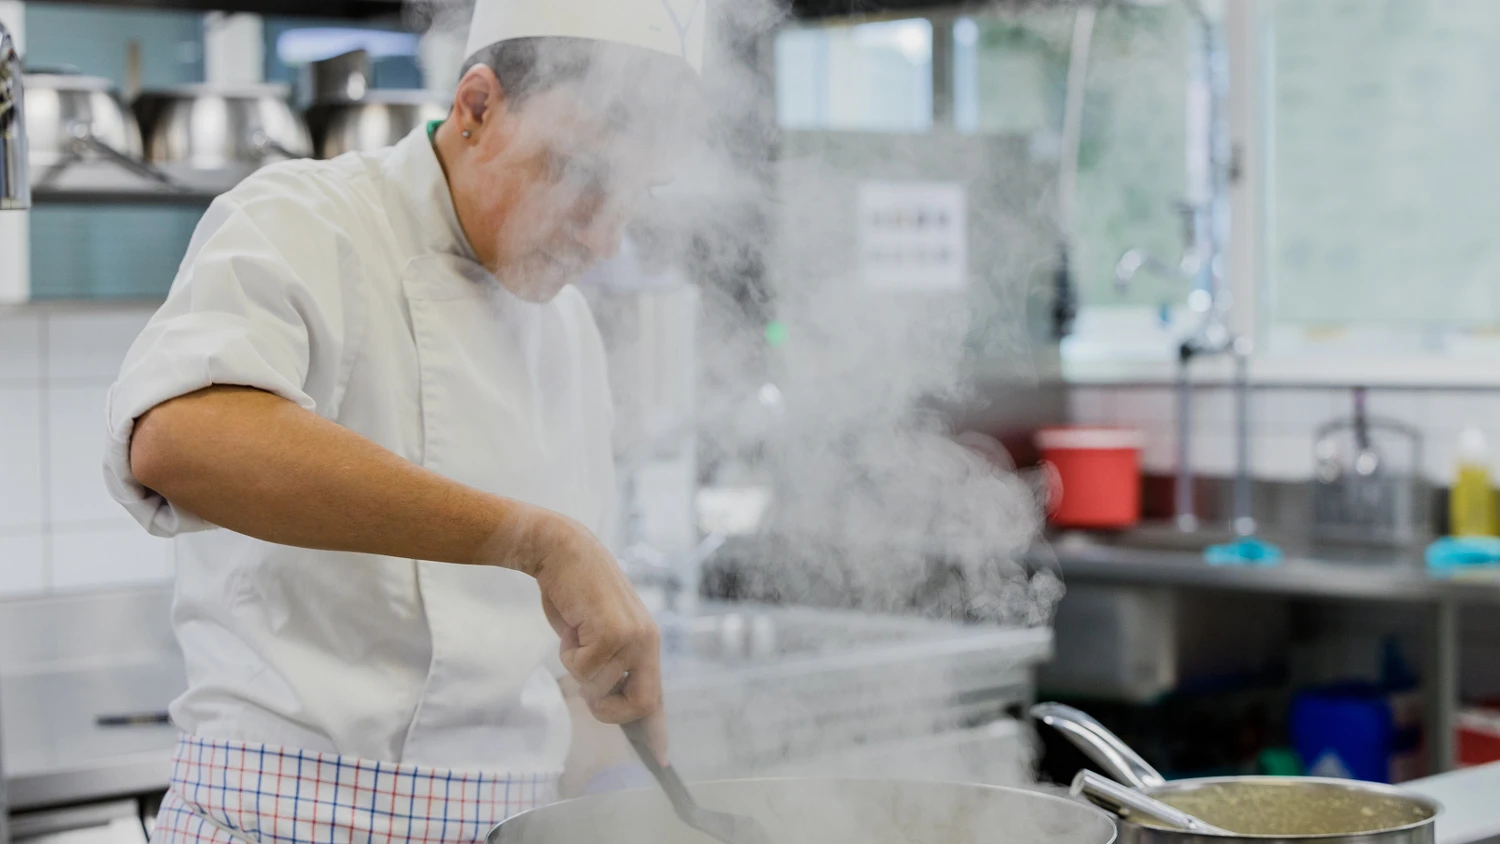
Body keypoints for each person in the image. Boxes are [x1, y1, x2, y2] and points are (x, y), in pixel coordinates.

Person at [102, 2, 707, 841]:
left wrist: (613, 771)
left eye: (635, 198)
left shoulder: (569, 331)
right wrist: (537, 541)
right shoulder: (307, 220)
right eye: (579, 176)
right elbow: (181, 439)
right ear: (477, 106)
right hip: (284, 821)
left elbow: (558, 656)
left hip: (511, 823)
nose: (605, 239)